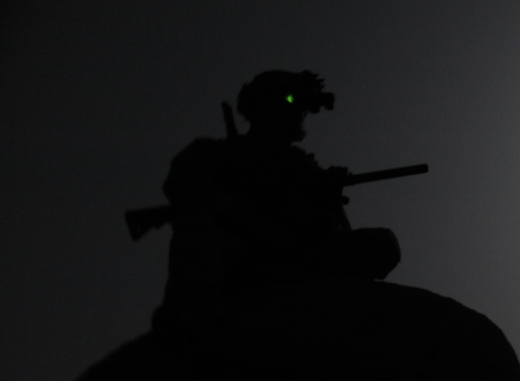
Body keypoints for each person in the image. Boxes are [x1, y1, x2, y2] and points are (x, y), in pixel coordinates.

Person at [155, 70, 400, 333]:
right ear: (263, 105)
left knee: (381, 243)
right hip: (244, 257)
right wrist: (237, 210)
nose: (299, 112)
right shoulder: (218, 152)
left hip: (297, 259)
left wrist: (325, 196)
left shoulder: (304, 168)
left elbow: (335, 233)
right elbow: (181, 186)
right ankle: (187, 323)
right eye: (290, 100)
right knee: (197, 232)